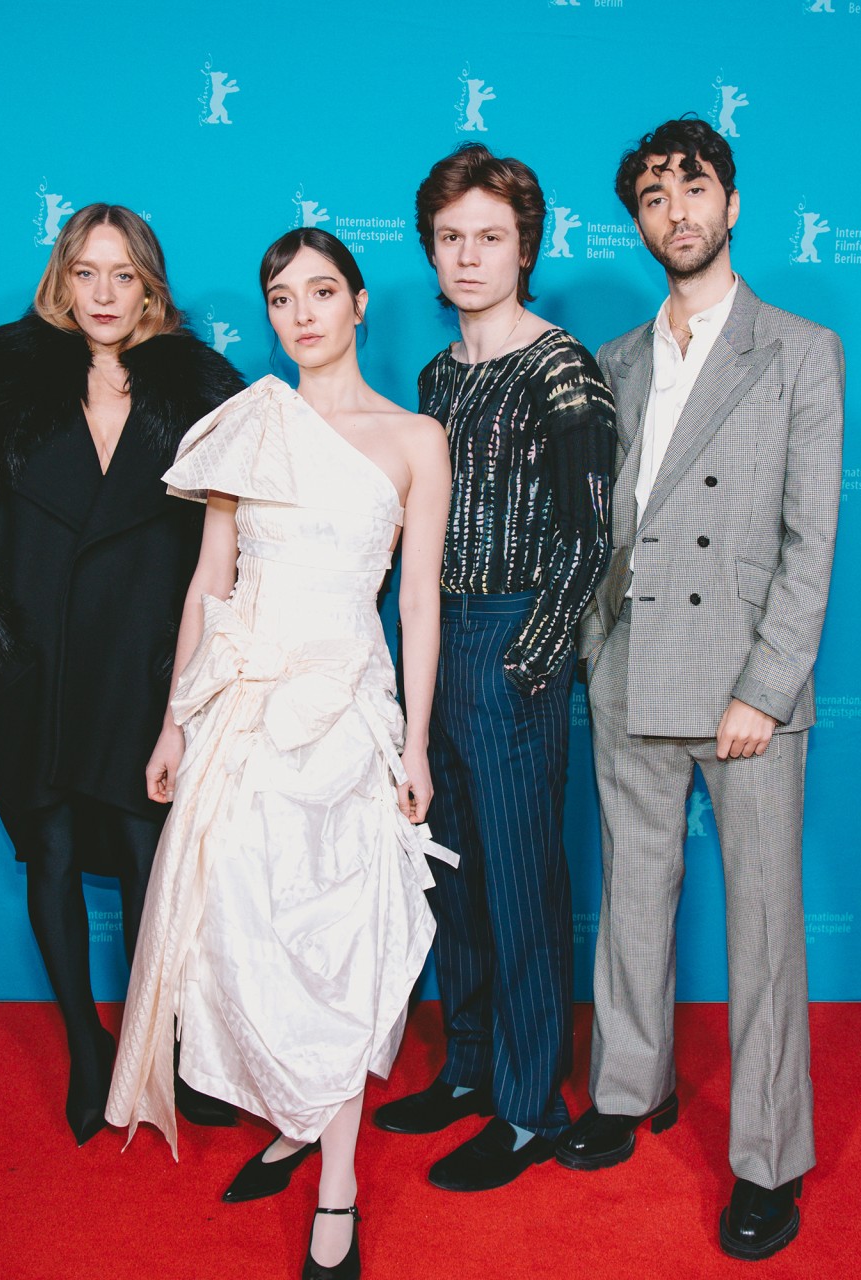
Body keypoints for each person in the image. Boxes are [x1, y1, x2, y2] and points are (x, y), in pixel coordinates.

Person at [106, 228, 453, 1280]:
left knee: (339, 943)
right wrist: (174, 720)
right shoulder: (250, 425)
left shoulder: (416, 439)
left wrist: (415, 742)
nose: (302, 314)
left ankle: (337, 1182)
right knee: (248, 934)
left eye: (321, 292)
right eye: (282, 297)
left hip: (346, 714)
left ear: (359, 303)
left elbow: (420, 601)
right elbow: (208, 583)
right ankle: (299, 1116)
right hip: (244, 719)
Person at [0, 203, 244, 1146]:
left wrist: (208, 673)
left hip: (148, 680)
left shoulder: (205, 397)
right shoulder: (3, 387)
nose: (104, 294)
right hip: (38, 678)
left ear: (150, 286)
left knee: (154, 864)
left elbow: (245, 546)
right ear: (61, 281)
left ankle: (161, 1048)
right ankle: (86, 1045)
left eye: (124, 275)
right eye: (87, 273)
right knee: (54, 855)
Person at [558, 118, 843, 1262]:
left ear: (733, 203)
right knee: (632, 895)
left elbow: (810, 542)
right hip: (631, 668)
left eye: (693, 188)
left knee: (763, 927)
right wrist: (594, 650)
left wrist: (765, 690)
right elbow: (599, 522)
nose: (675, 212)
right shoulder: (616, 359)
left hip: (742, 688)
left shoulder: (800, 350)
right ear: (637, 221)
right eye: (652, 196)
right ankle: (631, 1087)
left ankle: (770, 1158)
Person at [371, 144, 615, 1193]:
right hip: (434, 634)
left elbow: (591, 534)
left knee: (521, 884)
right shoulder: (437, 377)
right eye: (451, 237)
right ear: (431, 251)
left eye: (490, 237)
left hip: (515, 639)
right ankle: (469, 1067)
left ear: (525, 249)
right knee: (448, 872)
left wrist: (532, 660)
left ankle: (528, 1106)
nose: (469, 255)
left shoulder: (562, 367)